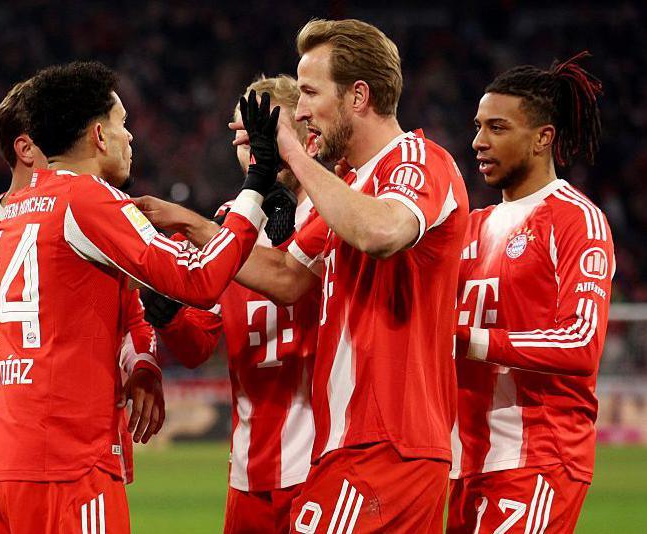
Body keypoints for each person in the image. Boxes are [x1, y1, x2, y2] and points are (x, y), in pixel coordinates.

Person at [138, 19, 468, 532]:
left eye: (310, 93)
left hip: (389, 440)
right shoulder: (351, 187)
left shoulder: (417, 160)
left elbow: (383, 232)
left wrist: (292, 151)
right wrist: (187, 226)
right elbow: (287, 277)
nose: (303, 111)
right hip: (348, 444)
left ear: (358, 96)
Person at [0, 60, 280, 533]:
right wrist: (255, 191)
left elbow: (93, 307)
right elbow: (197, 278)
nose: (130, 137)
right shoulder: (89, 198)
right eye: (122, 124)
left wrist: (141, 359)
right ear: (99, 135)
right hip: (68, 465)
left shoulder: (18, 209)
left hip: (5, 459)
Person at [0, 79, 164, 533]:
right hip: (4, 454)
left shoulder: (94, 215)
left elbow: (134, 314)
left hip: (85, 445)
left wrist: (145, 364)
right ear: (27, 148)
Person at [139, 75, 320, 534]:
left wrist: (192, 224)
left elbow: (288, 280)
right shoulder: (230, 220)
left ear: (306, 134)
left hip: (322, 464)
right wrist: (170, 316)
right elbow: (199, 345)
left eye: (263, 137)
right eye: (242, 139)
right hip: (248, 470)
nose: (252, 152)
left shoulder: (332, 210)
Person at [448, 52, 611, 533]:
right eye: (478, 126)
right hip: (466, 459)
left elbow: (581, 342)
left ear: (543, 138)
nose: (478, 141)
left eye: (497, 128)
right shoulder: (469, 228)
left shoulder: (575, 218)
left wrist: (471, 340)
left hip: (539, 454)